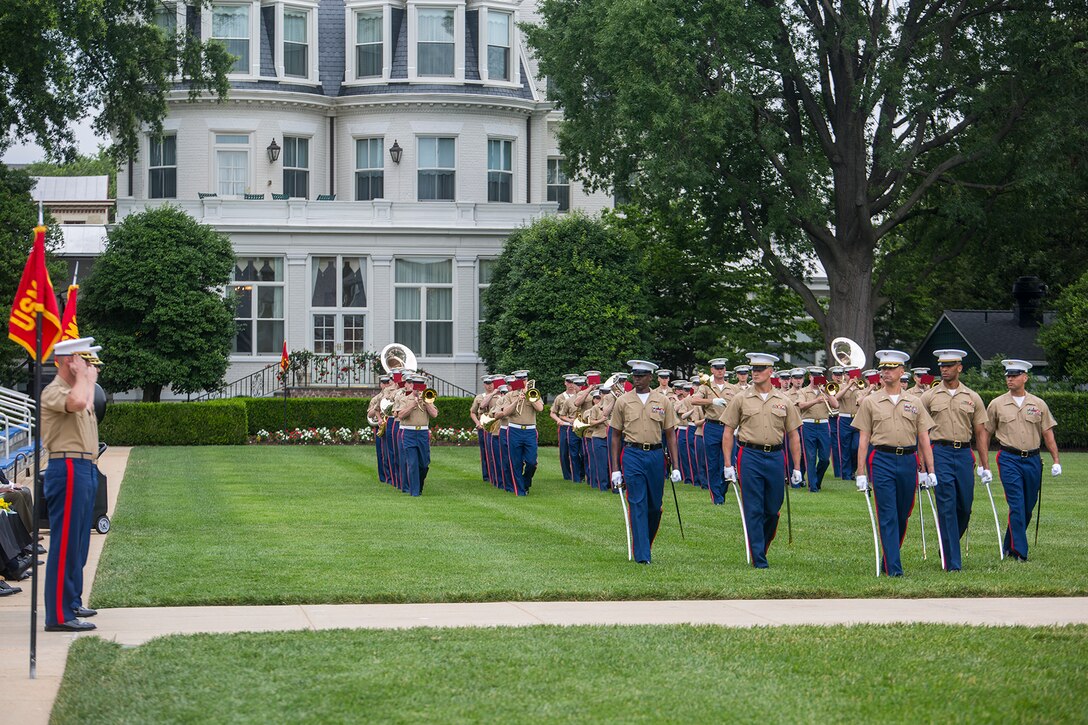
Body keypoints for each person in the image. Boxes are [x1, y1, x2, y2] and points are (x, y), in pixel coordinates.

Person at [852, 350, 936, 577]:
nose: (885, 372)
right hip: (882, 460)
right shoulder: (871, 401)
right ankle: (894, 568)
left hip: (909, 460)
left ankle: (889, 557)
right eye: (882, 369)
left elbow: (924, 438)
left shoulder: (915, 402)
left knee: (902, 513)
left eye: (890, 368)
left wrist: (930, 470)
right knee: (887, 513)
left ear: (902, 372)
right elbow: (863, 439)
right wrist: (861, 472)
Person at [41, 337, 101, 631]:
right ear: (69, 361)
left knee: (78, 542)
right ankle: (59, 615)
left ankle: (72, 601)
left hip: (84, 466)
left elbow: (86, 401)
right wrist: (83, 378)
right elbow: (77, 402)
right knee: (64, 543)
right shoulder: (54, 391)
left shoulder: (76, 388)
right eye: (84, 360)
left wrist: (86, 379)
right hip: (66, 466)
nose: (90, 367)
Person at [722, 353, 803, 568]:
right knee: (754, 507)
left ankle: (761, 546)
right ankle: (758, 556)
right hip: (749, 455)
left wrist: (797, 467)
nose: (755, 373)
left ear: (771, 372)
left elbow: (794, 434)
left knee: (772, 509)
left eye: (760, 370)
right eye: (753, 370)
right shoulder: (741, 398)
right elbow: (728, 430)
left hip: (776, 456)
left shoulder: (783, 400)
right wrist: (727, 464)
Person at [918, 349, 989, 571]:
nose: (944, 369)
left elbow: (980, 433)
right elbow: (919, 430)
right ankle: (952, 562)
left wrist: (985, 465)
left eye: (949, 366)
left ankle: (946, 544)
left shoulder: (972, 397)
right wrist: (922, 464)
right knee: (946, 505)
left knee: (965, 507)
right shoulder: (929, 396)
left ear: (960, 367)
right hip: (940, 452)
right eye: (941, 366)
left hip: (964, 454)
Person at [984, 359, 1061, 561]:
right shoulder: (997, 404)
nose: (1010, 379)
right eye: (1008, 376)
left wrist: (1056, 460)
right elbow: (985, 434)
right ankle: (1020, 551)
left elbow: (1048, 433)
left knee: (1027, 507)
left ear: (1025, 377)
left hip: (1033, 459)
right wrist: (984, 464)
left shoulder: (1038, 404)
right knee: (1016, 505)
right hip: (1009, 458)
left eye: (1014, 375)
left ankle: (1009, 545)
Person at [609, 360, 681, 564]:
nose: (637, 380)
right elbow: (615, 435)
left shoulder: (662, 401)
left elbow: (670, 435)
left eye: (641, 376)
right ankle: (642, 554)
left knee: (654, 507)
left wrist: (675, 466)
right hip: (632, 454)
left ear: (650, 377)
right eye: (635, 376)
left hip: (656, 456)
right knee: (637, 503)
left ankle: (645, 543)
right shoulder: (623, 401)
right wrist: (615, 469)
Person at [691, 358, 735, 504]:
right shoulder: (705, 387)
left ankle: (721, 491)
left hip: (728, 427)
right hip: (712, 426)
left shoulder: (732, 388)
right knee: (712, 463)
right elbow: (694, 400)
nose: (720, 371)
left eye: (722, 368)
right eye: (717, 368)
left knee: (727, 463)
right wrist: (712, 401)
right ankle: (716, 496)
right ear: (712, 370)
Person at [496, 371, 543, 495]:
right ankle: (520, 490)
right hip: (514, 430)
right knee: (515, 462)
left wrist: (529, 395)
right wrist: (517, 400)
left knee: (532, 462)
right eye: (519, 379)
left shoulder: (534, 392)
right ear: (515, 380)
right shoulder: (510, 395)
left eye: (524, 379)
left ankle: (526, 482)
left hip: (530, 431)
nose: (522, 381)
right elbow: (505, 412)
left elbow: (540, 408)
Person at [393, 376, 438, 496]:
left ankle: (419, 486)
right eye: (415, 385)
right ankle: (414, 492)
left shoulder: (428, 398)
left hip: (423, 433)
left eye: (421, 385)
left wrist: (426, 402)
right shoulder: (405, 399)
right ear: (412, 386)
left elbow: (434, 414)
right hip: (409, 432)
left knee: (424, 464)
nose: (418, 388)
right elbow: (400, 415)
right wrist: (413, 404)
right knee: (412, 463)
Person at [795, 366, 837, 492]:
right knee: (811, 456)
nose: (816, 378)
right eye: (814, 376)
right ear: (810, 377)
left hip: (824, 425)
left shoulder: (825, 391)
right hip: (808, 425)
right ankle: (813, 486)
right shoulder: (803, 391)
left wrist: (827, 393)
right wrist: (816, 400)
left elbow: (836, 405)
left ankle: (817, 481)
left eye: (819, 376)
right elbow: (801, 405)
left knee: (825, 459)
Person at [550, 375, 577, 481]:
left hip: (578, 427)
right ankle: (567, 475)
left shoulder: (580, 396)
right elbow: (552, 413)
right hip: (565, 427)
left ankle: (578, 474)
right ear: (565, 383)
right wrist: (558, 420)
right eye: (568, 382)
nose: (570, 385)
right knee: (564, 452)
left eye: (572, 382)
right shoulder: (560, 397)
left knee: (578, 452)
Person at [367, 375, 392, 484]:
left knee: (392, 453)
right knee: (382, 453)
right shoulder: (376, 398)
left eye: (388, 382)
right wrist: (378, 406)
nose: (386, 385)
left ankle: (393, 476)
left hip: (392, 424)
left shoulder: (393, 395)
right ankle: (384, 477)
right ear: (380, 384)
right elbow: (369, 414)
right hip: (381, 426)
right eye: (384, 383)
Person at [470, 375, 495, 484]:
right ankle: (486, 476)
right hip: (483, 426)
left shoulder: (498, 396)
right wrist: (477, 423)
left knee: (495, 452)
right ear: (484, 384)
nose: (489, 386)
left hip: (495, 425)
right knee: (485, 452)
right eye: (487, 384)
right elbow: (473, 412)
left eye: (491, 383)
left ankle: (495, 474)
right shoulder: (480, 397)